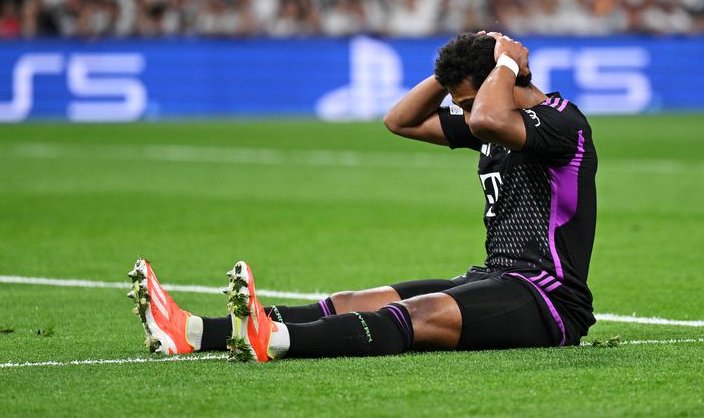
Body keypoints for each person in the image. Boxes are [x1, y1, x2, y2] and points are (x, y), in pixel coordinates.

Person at [128, 31, 597, 361]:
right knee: (357, 299)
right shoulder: (490, 120)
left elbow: (488, 118)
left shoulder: (561, 125)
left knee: (420, 314)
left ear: (509, 82)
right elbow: (401, 120)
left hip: (549, 299)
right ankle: (191, 332)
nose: (466, 115)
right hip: (496, 276)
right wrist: (453, 71)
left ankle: (276, 339)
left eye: (469, 102)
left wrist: (506, 62)